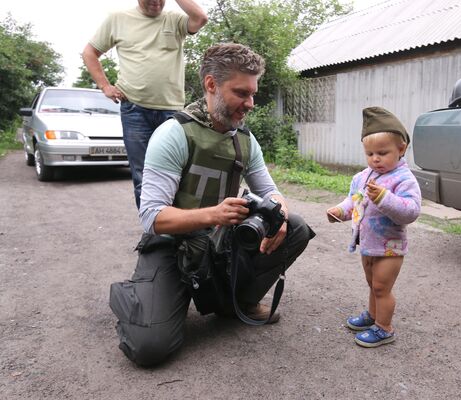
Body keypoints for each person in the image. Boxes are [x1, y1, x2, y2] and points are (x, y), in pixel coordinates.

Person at [109, 43, 315, 367]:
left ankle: (237, 304)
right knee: (149, 348)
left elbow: (271, 192)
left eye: (253, 94)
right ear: (211, 85)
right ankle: (138, 294)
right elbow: (151, 217)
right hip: (174, 246)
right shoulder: (173, 134)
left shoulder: (245, 140)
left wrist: (281, 215)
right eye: (240, 93)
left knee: (297, 228)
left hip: (220, 245)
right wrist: (214, 214)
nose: (250, 104)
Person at [82, 0, 208, 209]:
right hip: (135, 110)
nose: (156, 3)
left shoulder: (174, 19)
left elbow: (200, 18)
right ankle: (155, 235)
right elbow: (89, 52)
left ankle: (180, 227)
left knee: (180, 174)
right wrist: (105, 86)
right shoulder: (117, 19)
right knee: (144, 176)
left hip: (172, 111)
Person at [326, 106, 421, 348]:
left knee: (382, 287)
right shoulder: (362, 177)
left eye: (382, 152)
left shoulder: (404, 179)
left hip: (390, 247)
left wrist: (384, 198)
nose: (375, 159)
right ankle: (373, 314)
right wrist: (339, 211)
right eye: (369, 153)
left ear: (401, 149)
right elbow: (354, 201)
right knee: (373, 285)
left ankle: (384, 328)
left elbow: (411, 211)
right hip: (367, 244)